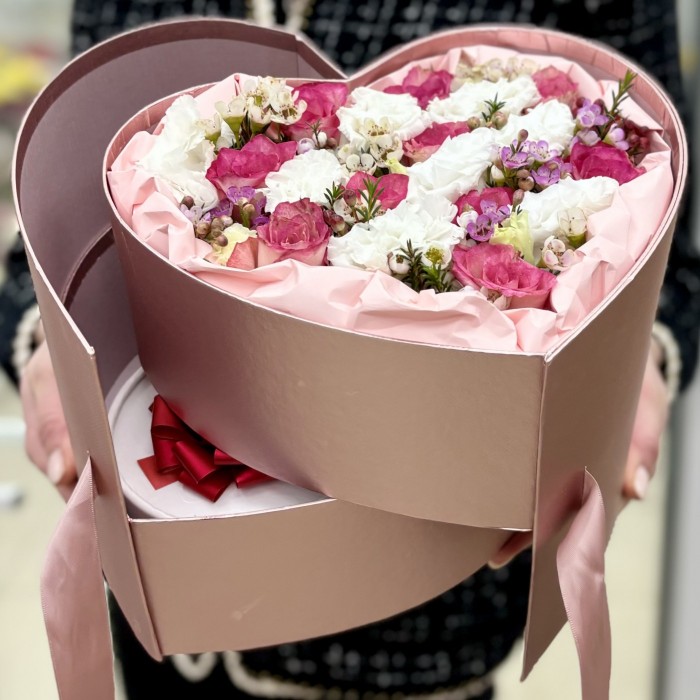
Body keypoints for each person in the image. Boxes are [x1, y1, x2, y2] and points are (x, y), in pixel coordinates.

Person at [7, 1, 700, 698]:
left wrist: (622, 371)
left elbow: (674, 256)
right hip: (172, 596)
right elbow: (74, 174)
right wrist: (49, 342)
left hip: (425, 613)